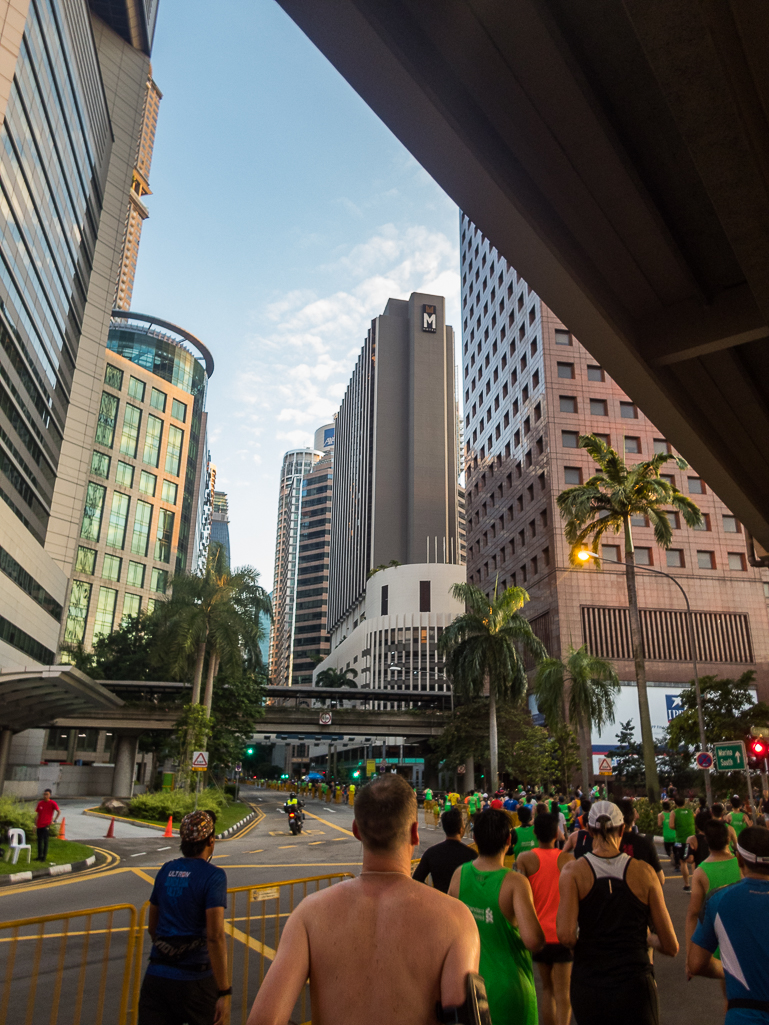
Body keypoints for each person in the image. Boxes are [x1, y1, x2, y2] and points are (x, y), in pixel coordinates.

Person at [247, 774, 479, 1025]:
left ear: (356, 830)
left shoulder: (309, 915)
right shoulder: (456, 919)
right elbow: (463, 1017)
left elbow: (263, 1019)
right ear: (415, 833)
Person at [557, 801, 678, 1025]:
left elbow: (565, 935)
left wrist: (584, 947)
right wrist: (647, 938)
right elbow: (671, 945)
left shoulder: (573, 872)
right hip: (636, 983)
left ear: (589, 830)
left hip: (589, 982)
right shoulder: (645, 872)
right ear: (623, 829)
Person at [449, 808, 544, 1025]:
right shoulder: (515, 882)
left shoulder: (459, 875)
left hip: (472, 989)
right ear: (509, 840)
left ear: (474, 838)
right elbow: (533, 941)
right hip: (511, 988)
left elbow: (449, 932)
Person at [138, 811, 230, 1025]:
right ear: (210, 841)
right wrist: (224, 990)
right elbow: (215, 936)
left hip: (157, 976)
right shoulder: (213, 876)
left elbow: (153, 927)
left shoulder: (166, 869)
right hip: (195, 981)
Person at [688, 826, 769, 1021]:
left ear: (739, 858)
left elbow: (696, 964)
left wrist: (732, 970)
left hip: (743, 1015)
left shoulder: (718, 900)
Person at [516, 814, 572, 1025]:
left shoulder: (525, 859)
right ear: (557, 832)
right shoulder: (568, 860)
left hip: (539, 936)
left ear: (535, 832)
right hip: (563, 934)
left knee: (546, 989)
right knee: (563, 995)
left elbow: (521, 894)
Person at [685, 819, 742, 971]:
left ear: (706, 841)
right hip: (743, 932)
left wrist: (690, 956)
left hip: (719, 937)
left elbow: (693, 914)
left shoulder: (700, 872)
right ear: (728, 839)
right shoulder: (741, 864)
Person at [412, 807, 477, 893]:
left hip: (438, 902)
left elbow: (416, 879)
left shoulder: (431, 853)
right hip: (462, 903)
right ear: (461, 829)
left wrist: (435, 893)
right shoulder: (471, 855)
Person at [618, 798, 664, 886]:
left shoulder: (609, 845)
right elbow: (660, 879)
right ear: (632, 818)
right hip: (641, 894)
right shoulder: (645, 843)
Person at [669, 794, 695, 891]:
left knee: (683, 862)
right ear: (684, 802)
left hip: (681, 840)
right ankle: (696, 883)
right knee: (694, 862)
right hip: (692, 839)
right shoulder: (691, 812)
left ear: (675, 803)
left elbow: (671, 825)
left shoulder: (674, 813)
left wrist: (679, 827)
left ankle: (687, 884)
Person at [35, 788, 60, 863]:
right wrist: (35, 823)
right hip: (39, 824)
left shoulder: (52, 803)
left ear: (50, 795)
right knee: (39, 841)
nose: (45, 796)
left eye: (47, 794)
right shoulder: (40, 803)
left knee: (45, 841)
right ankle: (39, 856)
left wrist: (54, 820)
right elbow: (38, 814)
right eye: (44, 794)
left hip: (46, 825)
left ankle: (44, 857)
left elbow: (58, 811)